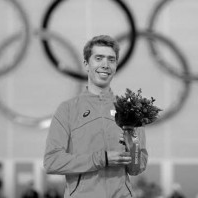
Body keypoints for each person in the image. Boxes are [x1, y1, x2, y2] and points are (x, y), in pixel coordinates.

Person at [43, 35, 148, 198]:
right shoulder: (68, 110)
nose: (105, 65)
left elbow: (136, 168)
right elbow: (52, 161)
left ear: (116, 65)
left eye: (111, 60)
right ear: (86, 64)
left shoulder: (129, 111)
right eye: (98, 58)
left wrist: (132, 148)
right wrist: (101, 159)